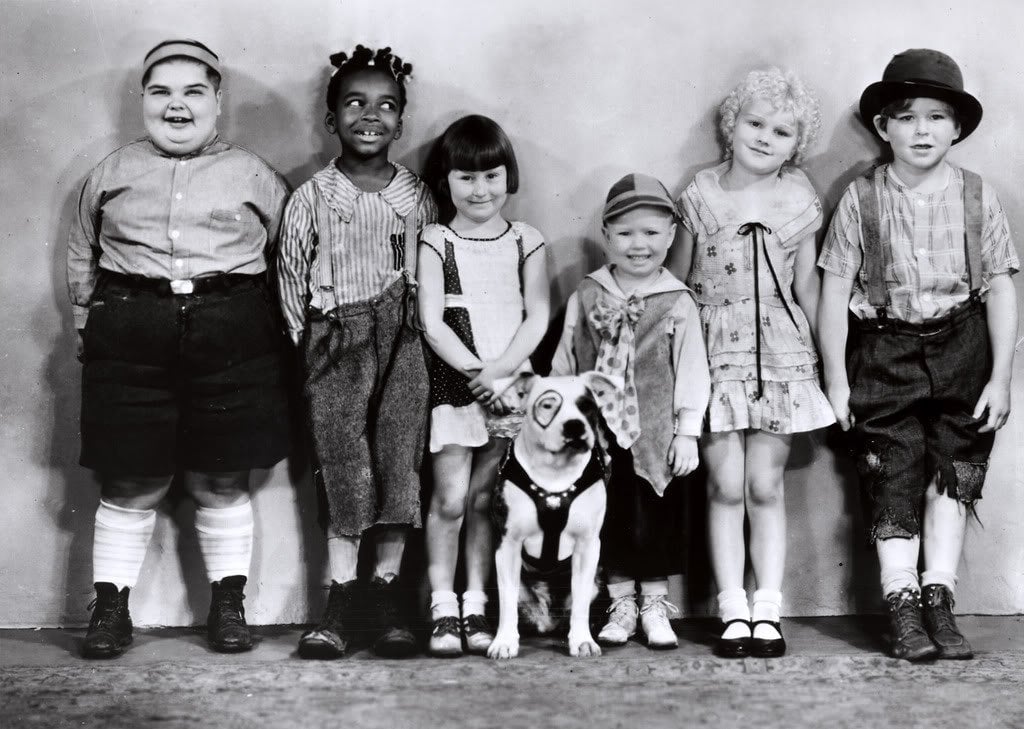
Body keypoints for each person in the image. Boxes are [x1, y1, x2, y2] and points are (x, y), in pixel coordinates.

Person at [67, 39, 290, 657]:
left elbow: (288, 258)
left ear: (217, 100)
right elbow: (82, 249)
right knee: (131, 478)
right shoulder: (110, 174)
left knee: (222, 477)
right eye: (161, 91)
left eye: (193, 91)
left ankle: (228, 606)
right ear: (143, 100)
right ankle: (111, 610)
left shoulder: (254, 174)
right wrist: (89, 321)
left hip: (233, 330)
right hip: (130, 326)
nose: (176, 106)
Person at [818, 49, 1018, 661]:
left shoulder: (978, 197)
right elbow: (832, 291)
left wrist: (1002, 378)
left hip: (963, 347)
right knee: (890, 474)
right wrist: (835, 379)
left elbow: (1001, 287)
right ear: (884, 127)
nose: (922, 130)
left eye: (936, 117)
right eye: (906, 117)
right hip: (883, 350)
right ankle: (901, 603)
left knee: (953, 476)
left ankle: (940, 597)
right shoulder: (862, 198)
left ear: (957, 127)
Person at [277, 45, 437, 659]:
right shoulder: (313, 198)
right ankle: (340, 601)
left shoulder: (418, 197)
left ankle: (387, 594)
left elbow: (434, 268)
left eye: (386, 105)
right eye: (355, 103)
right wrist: (316, 347)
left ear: (401, 122)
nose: (370, 115)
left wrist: (415, 333)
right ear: (330, 117)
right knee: (345, 468)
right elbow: (291, 280)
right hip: (336, 339)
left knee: (399, 460)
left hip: (404, 340)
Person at [676, 68, 834, 658]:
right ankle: (730, 609)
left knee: (764, 485)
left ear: (798, 144)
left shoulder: (800, 200)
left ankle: (767, 606)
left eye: (782, 132)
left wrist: (825, 366)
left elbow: (808, 291)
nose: (766, 138)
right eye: (756, 123)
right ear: (731, 125)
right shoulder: (700, 192)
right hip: (714, 350)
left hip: (782, 355)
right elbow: (677, 283)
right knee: (723, 483)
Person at [551, 173, 709, 650]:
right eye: (624, 233)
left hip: (656, 431)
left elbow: (692, 369)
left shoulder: (677, 301)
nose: (638, 245)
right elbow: (567, 358)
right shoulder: (589, 292)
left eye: (651, 233)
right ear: (606, 237)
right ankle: (620, 601)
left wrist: (687, 431)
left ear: (671, 237)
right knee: (608, 513)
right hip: (600, 432)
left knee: (655, 512)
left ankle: (655, 603)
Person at [417, 115, 550, 657]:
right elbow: (432, 320)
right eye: (466, 177)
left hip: (509, 382)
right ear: (445, 180)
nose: (480, 190)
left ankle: (476, 606)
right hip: (456, 381)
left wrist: (501, 374)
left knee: (481, 500)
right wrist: (477, 374)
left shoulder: (527, 240)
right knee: (448, 498)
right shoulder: (436, 238)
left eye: (491, 176)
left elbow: (537, 316)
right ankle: (442, 607)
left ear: (507, 176)